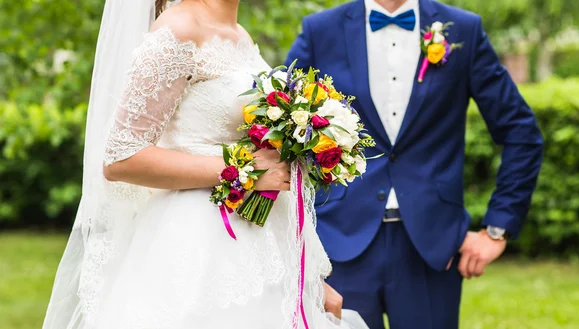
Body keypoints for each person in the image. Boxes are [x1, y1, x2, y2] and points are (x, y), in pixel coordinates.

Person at [42, 0, 369, 328]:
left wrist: (307, 281)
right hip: (199, 246)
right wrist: (246, 170)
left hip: (260, 240)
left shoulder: (238, 33)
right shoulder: (179, 29)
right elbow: (121, 157)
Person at [286, 0, 543, 328]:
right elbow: (279, 120)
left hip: (433, 247)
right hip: (339, 243)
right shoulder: (320, 30)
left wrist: (497, 229)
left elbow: (521, 131)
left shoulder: (463, 29)